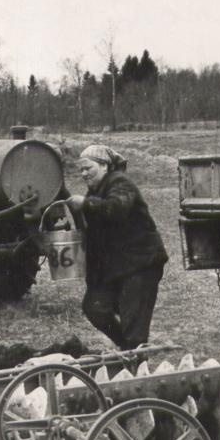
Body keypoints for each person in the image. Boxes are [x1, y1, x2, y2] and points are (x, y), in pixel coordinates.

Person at [65, 145, 169, 350]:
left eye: (88, 168)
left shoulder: (120, 183)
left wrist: (86, 204)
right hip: (118, 267)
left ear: (104, 166)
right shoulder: (97, 190)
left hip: (141, 264)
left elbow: (116, 209)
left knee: (134, 324)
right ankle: (128, 349)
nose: (84, 174)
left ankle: (136, 362)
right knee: (94, 307)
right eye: (81, 170)